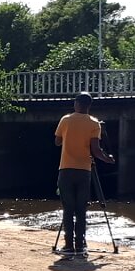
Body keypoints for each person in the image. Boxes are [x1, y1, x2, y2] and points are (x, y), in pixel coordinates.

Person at [54, 92, 115, 256]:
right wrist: (107, 159)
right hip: (84, 171)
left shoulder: (65, 119)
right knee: (81, 209)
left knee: (68, 208)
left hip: (66, 169)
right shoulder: (95, 123)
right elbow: (96, 150)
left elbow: (57, 141)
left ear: (76, 103)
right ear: (89, 106)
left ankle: (68, 246)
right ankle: (80, 245)